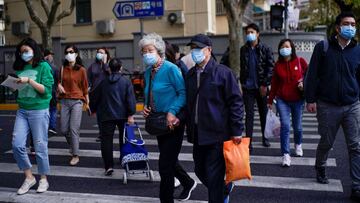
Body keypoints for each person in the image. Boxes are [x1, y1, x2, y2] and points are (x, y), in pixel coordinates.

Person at [304, 12, 360, 201]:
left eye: (353, 24)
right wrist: (310, 99)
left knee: (355, 146)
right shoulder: (323, 47)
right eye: (346, 24)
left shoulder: (357, 49)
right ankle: (320, 166)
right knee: (327, 142)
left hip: (352, 105)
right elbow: (311, 75)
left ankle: (357, 185)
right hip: (327, 105)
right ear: (337, 28)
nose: (350, 27)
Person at [185, 34, 244, 203]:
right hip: (198, 134)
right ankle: (225, 187)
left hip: (218, 134)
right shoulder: (189, 75)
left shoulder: (223, 73)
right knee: (199, 170)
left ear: (209, 50)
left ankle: (219, 191)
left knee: (214, 174)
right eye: (192, 49)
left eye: (198, 48)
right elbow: (187, 103)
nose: (194, 52)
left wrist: (237, 130)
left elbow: (236, 103)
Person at [140, 33, 197, 203]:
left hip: (173, 123)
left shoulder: (171, 68)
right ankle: (188, 182)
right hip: (159, 122)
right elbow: (149, 94)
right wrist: (146, 107)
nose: (146, 54)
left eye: (150, 50)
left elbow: (183, 93)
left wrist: (172, 111)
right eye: (144, 51)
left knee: (164, 166)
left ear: (159, 51)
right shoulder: (148, 72)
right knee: (169, 160)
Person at [11, 38, 54, 195]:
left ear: (34, 50)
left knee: (40, 145)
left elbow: (46, 90)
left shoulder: (43, 67)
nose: (24, 54)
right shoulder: (20, 67)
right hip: (22, 109)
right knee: (17, 145)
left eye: (26, 50)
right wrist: (15, 85)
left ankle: (43, 179)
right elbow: (20, 88)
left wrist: (29, 80)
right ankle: (29, 177)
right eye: (21, 52)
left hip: (39, 110)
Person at [91, 58, 136, 176]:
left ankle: (108, 166)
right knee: (124, 139)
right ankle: (124, 159)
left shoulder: (103, 82)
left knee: (106, 141)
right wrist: (131, 113)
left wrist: (93, 109)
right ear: (120, 68)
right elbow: (130, 99)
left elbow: (95, 96)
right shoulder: (126, 82)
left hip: (106, 115)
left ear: (109, 69)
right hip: (123, 115)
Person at [267, 39, 308, 167]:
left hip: (298, 100)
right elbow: (274, 84)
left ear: (292, 48)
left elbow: (310, 75)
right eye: (282, 46)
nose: (285, 48)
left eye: (287, 46)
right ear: (279, 50)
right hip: (282, 100)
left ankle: (298, 144)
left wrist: (304, 83)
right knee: (285, 125)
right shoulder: (278, 65)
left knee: (298, 127)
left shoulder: (300, 61)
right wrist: (270, 100)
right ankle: (286, 154)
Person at [240, 23, 274, 150]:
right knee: (249, 115)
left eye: (252, 32)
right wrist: (242, 83)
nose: (249, 34)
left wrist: (265, 84)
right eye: (247, 32)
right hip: (248, 87)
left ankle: (265, 138)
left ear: (258, 34)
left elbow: (270, 67)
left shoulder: (265, 48)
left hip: (261, 87)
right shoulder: (243, 49)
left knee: (263, 113)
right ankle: (249, 141)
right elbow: (243, 67)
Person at [57, 45, 89, 166]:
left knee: (73, 128)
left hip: (77, 101)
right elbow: (58, 83)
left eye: (71, 52)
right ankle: (73, 145)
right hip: (64, 101)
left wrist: (87, 102)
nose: (69, 54)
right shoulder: (62, 69)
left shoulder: (81, 70)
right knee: (64, 129)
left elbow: (85, 88)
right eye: (67, 52)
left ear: (76, 54)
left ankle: (75, 154)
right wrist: (59, 86)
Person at [87, 47, 111, 142]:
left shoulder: (109, 65)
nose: (99, 54)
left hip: (107, 93)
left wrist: (105, 64)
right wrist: (89, 86)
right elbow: (88, 78)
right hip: (95, 93)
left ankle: (107, 133)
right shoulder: (93, 66)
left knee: (107, 115)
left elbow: (110, 74)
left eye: (101, 52)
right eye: (98, 52)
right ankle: (102, 134)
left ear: (106, 54)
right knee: (100, 115)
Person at [44, 49, 58, 135]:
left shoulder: (39, 66)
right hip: (52, 92)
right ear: (47, 56)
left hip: (42, 92)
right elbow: (58, 79)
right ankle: (52, 127)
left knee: (45, 109)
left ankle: (44, 126)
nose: (52, 57)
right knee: (53, 109)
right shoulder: (54, 67)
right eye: (51, 55)